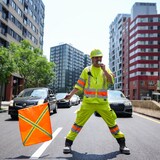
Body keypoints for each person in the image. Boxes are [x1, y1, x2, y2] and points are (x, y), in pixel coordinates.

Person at [63, 49, 130, 154]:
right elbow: (79, 85)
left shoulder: (106, 69)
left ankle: (122, 144)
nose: (99, 59)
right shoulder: (87, 70)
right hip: (88, 103)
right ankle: (68, 144)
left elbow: (111, 81)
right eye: (96, 57)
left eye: (100, 57)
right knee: (78, 124)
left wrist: (105, 71)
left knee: (112, 124)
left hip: (102, 103)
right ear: (92, 59)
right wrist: (71, 95)